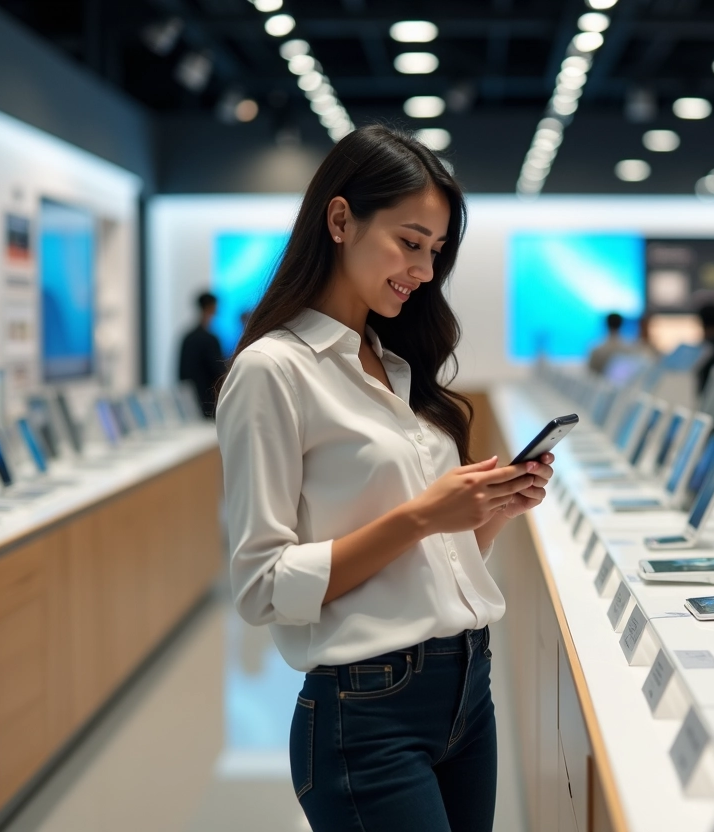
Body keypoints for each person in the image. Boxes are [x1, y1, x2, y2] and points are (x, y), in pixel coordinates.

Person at [215, 125, 555, 832]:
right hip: (367, 714)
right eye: (410, 242)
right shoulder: (272, 371)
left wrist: (488, 514)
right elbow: (261, 586)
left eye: (434, 252)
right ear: (340, 220)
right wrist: (425, 515)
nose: (424, 271)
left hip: (468, 692)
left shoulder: (394, 365)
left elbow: (422, 566)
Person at [177, 291, 225, 418]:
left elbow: (181, 373)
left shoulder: (187, 337)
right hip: (208, 401)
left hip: (190, 400)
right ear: (211, 307)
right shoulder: (209, 339)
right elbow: (218, 371)